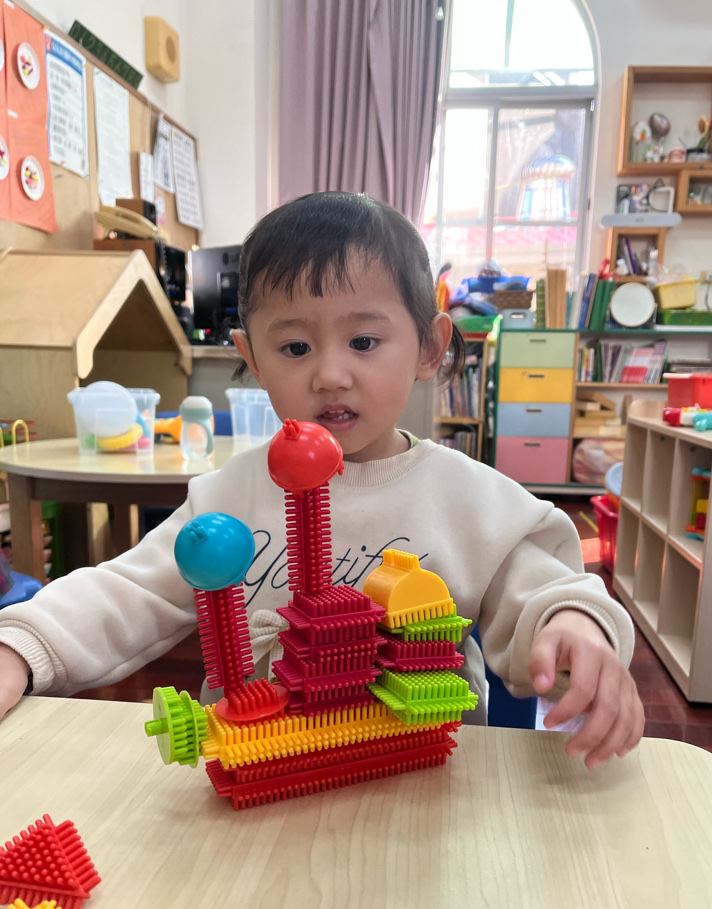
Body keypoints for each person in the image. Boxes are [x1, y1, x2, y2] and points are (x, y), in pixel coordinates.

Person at [0, 192, 643, 768]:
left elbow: (545, 590)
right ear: (252, 359)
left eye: (363, 341)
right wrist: (21, 646)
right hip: (258, 783)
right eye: (295, 348)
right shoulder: (228, 499)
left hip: (420, 786)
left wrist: (576, 629)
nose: (330, 375)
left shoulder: (474, 499)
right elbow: (127, 590)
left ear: (428, 347)